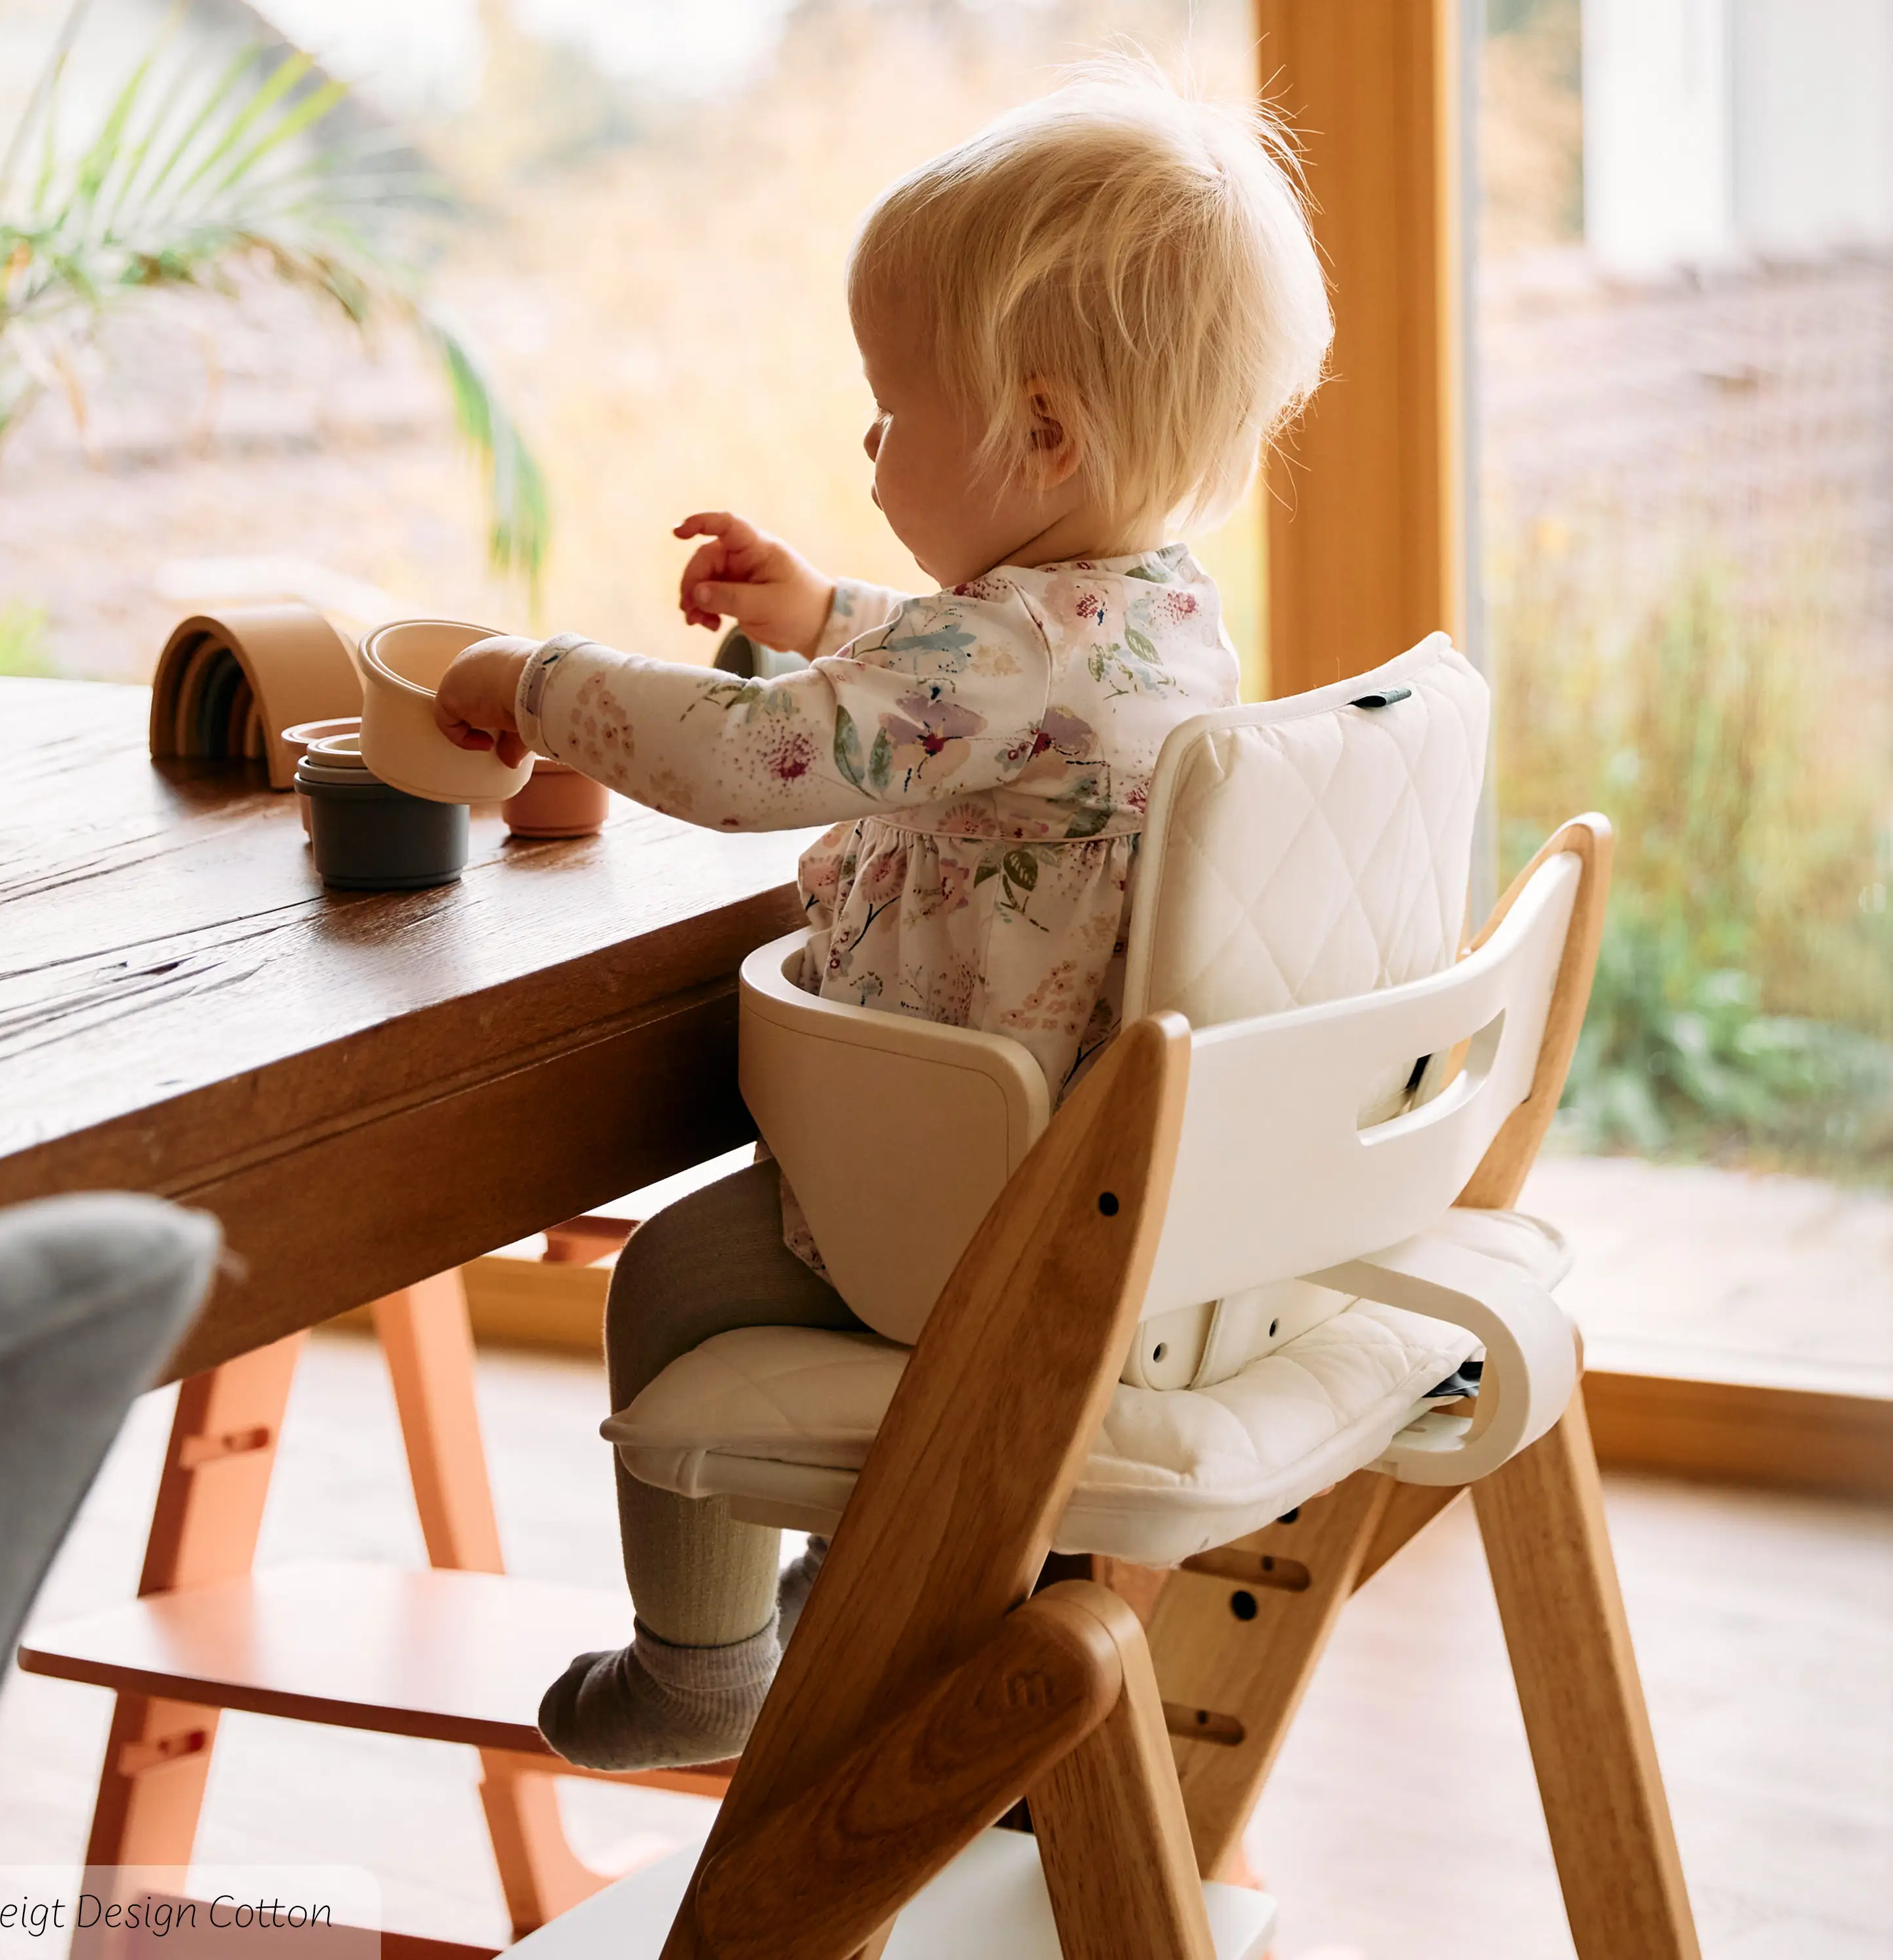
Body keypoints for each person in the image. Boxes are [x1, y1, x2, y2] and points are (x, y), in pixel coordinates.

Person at [432, 56, 1332, 1771]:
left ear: (1045, 431)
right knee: (762, 1292)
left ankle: (698, 1666)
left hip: (972, 1228)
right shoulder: (1153, 612)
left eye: (892, 405)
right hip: (1118, 1207)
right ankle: (869, 1608)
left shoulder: (994, 656)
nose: (868, 440)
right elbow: (960, 681)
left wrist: (532, 680)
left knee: (678, 1279)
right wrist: (822, 607)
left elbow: (763, 759)